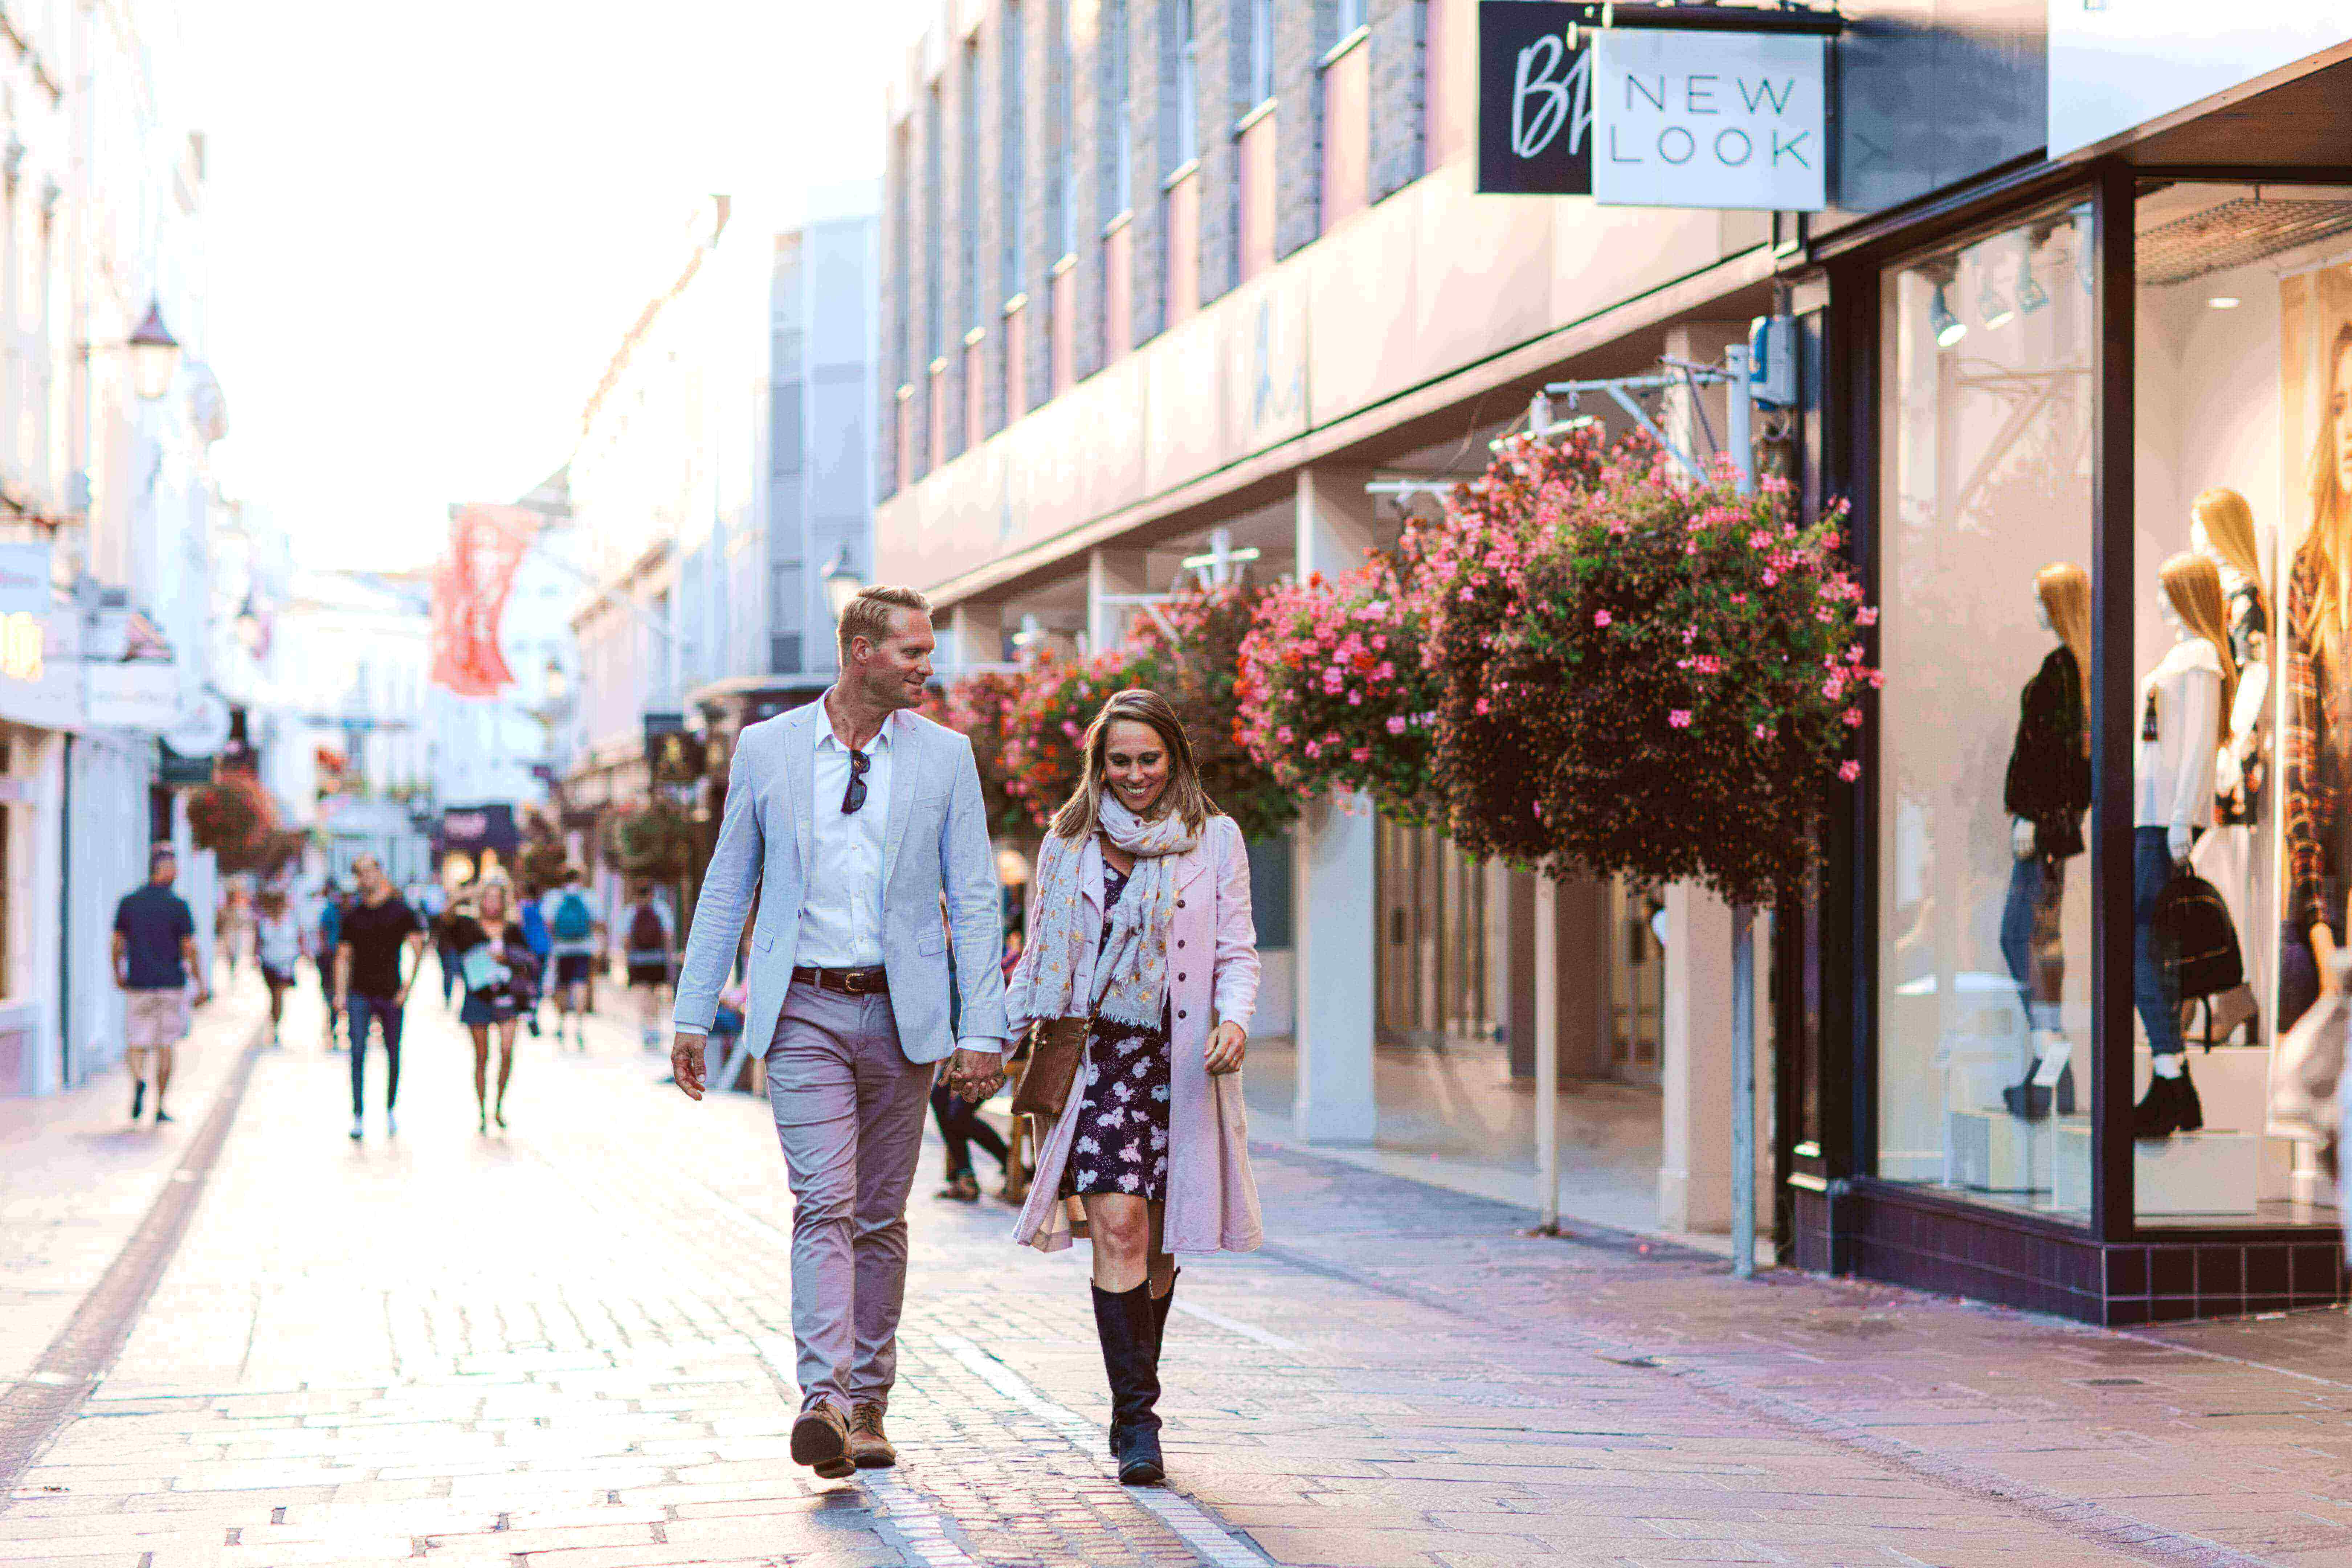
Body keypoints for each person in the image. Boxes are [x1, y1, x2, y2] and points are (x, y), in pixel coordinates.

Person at [670, 583, 1006, 1482]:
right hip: (804, 1010)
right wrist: (694, 1011)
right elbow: (726, 884)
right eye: (912, 653)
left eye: (929, 654)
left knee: (879, 1215)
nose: (927, 668)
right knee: (823, 1202)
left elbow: (974, 896)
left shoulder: (943, 756)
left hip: (903, 1014)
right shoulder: (768, 750)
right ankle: (823, 1395)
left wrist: (985, 1023)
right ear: (861, 652)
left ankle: (869, 1404)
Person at [1006, 688, 1262, 1487]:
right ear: (1099, 764)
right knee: (1117, 1226)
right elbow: (1041, 955)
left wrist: (1236, 1021)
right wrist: (985, 1041)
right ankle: (1137, 1422)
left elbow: (1237, 952)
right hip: (1100, 1065)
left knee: (1157, 1245)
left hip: (1181, 1063)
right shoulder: (1068, 843)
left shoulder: (1214, 840)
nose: (1135, 774)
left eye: (1149, 758)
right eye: (1119, 760)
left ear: (1175, 758)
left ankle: (1134, 1402)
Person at [114, 844, 209, 1124]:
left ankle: (140, 1080)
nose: (177, 872)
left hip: (139, 983)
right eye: (174, 867)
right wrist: (200, 982)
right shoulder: (178, 906)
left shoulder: (129, 903)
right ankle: (160, 1105)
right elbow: (190, 947)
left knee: (136, 1042)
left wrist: (117, 972)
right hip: (170, 985)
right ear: (165, 870)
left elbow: (117, 943)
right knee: (166, 1044)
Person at [334, 855, 424, 1140]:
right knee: (357, 1051)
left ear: (380, 873)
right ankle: (358, 1114)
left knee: (393, 1051)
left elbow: (418, 947)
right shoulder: (353, 915)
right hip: (360, 992)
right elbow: (343, 956)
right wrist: (340, 994)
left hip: (390, 993)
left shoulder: (400, 911)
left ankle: (390, 1109)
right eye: (360, 873)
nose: (366, 878)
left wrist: (407, 988)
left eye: (370, 871)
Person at [448, 881, 540, 1132]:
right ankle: (481, 1110)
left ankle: (498, 1106)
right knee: (481, 1056)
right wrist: (461, 895)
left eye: (497, 898)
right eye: (487, 898)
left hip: (508, 997)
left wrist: (507, 957)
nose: (492, 903)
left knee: (507, 1052)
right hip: (478, 995)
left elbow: (529, 959)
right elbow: (445, 920)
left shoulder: (512, 929)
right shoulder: (468, 926)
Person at [542, 869, 596, 1049]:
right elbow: (598, 922)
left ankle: (562, 1023)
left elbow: (548, 923)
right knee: (580, 985)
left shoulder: (554, 897)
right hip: (584, 948)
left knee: (563, 987)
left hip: (561, 949)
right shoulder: (589, 896)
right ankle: (579, 1025)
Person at [622, 885, 675, 1049]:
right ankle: (655, 1026)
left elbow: (625, 939)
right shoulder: (662, 910)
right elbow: (668, 936)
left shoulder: (630, 911)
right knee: (655, 992)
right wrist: (669, 959)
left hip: (638, 959)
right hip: (657, 958)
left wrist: (628, 960)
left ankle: (646, 1026)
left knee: (645, 992)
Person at [254, 887, 303, 1047]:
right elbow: (258, 941)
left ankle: (275, 1023)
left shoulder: (291, 919)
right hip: (269, 962)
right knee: (273, 995)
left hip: (286, 963)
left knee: (278, 994)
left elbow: (299, 938)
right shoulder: (263, 921)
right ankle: (274, 1021)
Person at [518, 886, 554, 1037]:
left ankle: (530, 1011)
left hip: (529, 950)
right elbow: (549, 927)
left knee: (529, 981)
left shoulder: (523, 909)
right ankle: (533, 1009)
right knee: (537, 982)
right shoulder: (542, 908)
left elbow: (520, 928)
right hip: (543, 949)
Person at [315, 882, 346, 1050]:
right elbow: (322, 931)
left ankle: (338, 1022)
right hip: (330, 957)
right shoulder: (330, 911)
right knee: (330, 993)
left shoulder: (349, 912)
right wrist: (325, 949)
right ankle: (333, 1024)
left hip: (343, 957)